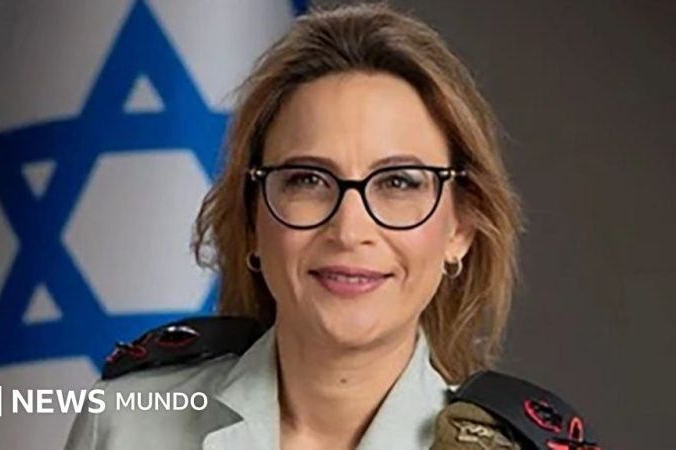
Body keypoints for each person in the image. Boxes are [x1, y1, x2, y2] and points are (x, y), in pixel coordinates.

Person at [66, 4, 599, 449]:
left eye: (399, 182)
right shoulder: (124, 424)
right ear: (252, 219)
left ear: (460, 228)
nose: (349, 230)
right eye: (307, 179)